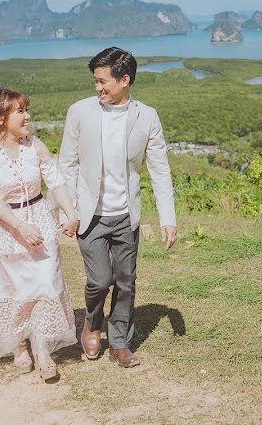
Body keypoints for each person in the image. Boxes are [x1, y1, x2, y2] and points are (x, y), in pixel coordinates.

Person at [58, 47, 177, 368]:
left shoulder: (147, 116)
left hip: (126, 216)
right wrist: (66, 213)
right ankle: (93, 323)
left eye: (103, 82)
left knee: (125, 280)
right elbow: (66, 165)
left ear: (125, 80)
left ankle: (120, 341)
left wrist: (168, 218)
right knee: (99, 280)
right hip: (89, 215)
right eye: (95, 81)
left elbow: (160, 169)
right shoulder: (80, 112)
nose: (97, 88)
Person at [0, 88, 80, 381]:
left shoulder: (37, 147)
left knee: (46, 282)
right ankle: (19, 345)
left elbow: (56, 183)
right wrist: (19, 226)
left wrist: (72, 214)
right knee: (14, 289)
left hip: (41, 220)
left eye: (26, 110)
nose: (28, 116)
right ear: (2, 119)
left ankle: (42, 348)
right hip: (6, 229)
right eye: (20, 111)